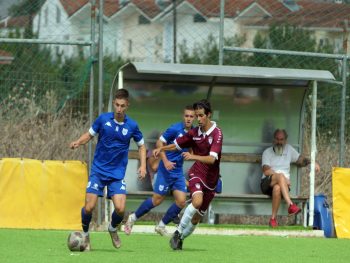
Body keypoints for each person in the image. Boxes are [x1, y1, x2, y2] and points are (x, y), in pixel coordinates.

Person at [69, 88, 147, 251]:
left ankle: (112, 228)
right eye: (117, 105)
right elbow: (89, 135)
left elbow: (141, 146)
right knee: (89, 207)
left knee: (120, 208)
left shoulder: (132, 125)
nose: (119, 109)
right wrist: (78, 141)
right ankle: (85, 235)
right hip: (98, 171)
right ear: (113, 104)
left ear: (127, 106)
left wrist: (143, 166)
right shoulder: (103, 120)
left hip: (117, 174)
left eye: (122, 106)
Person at [153, 99, 223, 250]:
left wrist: (193, 157)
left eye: (201, 116)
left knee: (198, 217)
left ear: (209, 115)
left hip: (211, 179)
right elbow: (177, 144)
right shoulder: (194, 132)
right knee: (196, 202)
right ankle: (178, 233)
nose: (198, 119)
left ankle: (181, 238)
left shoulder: (217, 133)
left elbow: (211, 159)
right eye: (196, 115)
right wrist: (162, 149)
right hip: (197, 172)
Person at [124, 105, 195, 236]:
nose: (188, 119)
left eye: (191, 116)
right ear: (183, 116)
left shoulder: (194, 133)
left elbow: (190, 148)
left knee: (181, 201)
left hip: (177, 172)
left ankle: (161, 226)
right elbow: (159, 143)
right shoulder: (175, 129)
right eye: (186, 116)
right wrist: (166, 161)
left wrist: (192, 153)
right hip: (165, 171)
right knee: (157, 200)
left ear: (194, 117)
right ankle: (132, 218)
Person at [261, 128, 320, 228]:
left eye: (282, 139)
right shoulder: (267, 152)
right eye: (277, 139)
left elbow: (301, 160)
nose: (279, 142)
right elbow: (266, 171)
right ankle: (290, 205)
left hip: (281, 187)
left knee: (277, 188)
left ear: (285, 140)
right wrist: (282, 178)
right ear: (273, 140)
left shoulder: (289, 149)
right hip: (267, 183)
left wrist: (312, 162)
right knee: (280, 176)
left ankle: (273, 219)